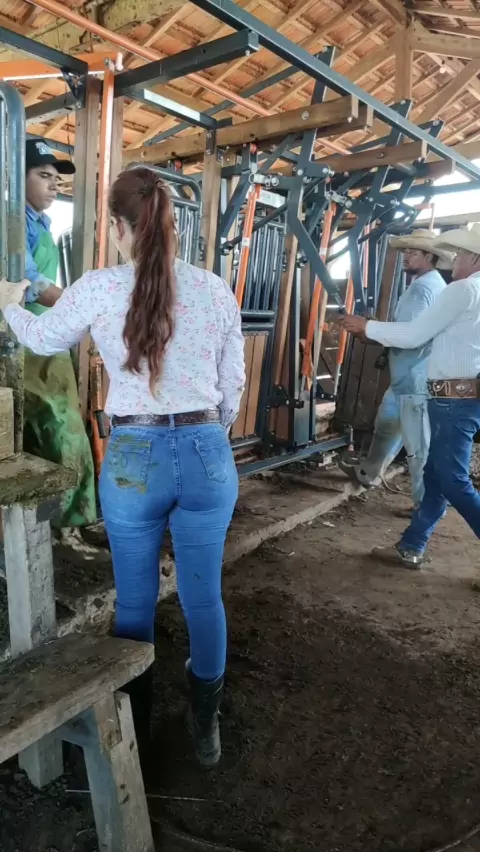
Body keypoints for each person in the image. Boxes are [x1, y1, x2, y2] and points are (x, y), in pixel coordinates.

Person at [0, 166, 245, 769]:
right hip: (207, 450)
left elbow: (43, 340)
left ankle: (132, 736)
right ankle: (205, 730)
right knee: (204, 599)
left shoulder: (99, 287)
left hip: (134, 455)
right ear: (171, 224)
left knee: (134, 602)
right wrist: (208, 435)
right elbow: (232, 385)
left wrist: (9, 305)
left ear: (116, 227)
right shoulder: (214, 288)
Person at [338, 223, 480, 573]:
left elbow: (415, 334)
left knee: (453, 481)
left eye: (461, 254)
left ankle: (412, 544)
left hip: (451, 400)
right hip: (463, 396)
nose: (454, 261)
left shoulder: (463, 289)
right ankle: (411, 546)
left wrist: (366, 326)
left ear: (476, 258)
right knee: (435, 477)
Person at [339, 230, 452, 510]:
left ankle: (425, 504)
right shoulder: (431, 285)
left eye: (413, 253)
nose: (405, 257)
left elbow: (411, 334)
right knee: (386, 426)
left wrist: (368, 328)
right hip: (409, 375)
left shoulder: (423, 289)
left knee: (418, 446)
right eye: (405, 252)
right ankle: (368, 473)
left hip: (415, 378)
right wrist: (373, 331)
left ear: (430, 256)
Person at [23, 138, 96, 535]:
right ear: (16, 177)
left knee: (57, 429)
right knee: (59, 430)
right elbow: (29, 282)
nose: (54, 185)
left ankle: (64, 524)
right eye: (43, 175)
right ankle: (63, 527)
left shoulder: (41, 222)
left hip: (45, 337)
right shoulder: (12, 220)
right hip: (26, 342)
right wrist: (82, 306)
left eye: (56, 178)